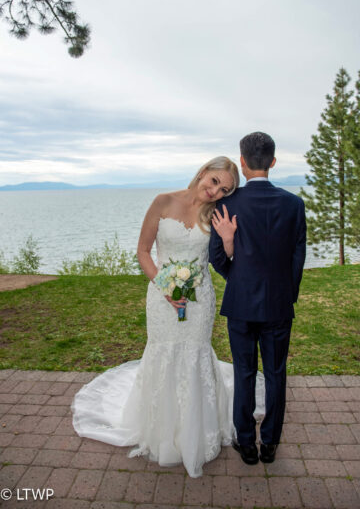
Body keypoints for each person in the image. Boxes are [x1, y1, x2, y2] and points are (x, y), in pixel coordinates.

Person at [71, 156, 265, 478]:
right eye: (214, 181)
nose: (215, 191)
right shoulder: (162, 201)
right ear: (203, 172)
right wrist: (166, 288)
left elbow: (225, 260)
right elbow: (143, 251)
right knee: (163, 352)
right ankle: (162, 431)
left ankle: (197, 431)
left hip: (200, 300)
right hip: (161, 298)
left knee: (195, 354)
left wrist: (229, 241)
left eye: (224, 189)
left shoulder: (218, 214)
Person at [209, 132, 306, 465]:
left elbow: (217, 258)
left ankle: (247, 443)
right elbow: (297, 256)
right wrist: (286, 294)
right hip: (279, 305)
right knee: (276, 372)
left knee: (244, 372)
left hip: (240, 304)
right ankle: (272, 444)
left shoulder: (226, 204)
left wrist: (237, 281)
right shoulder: (294, 204)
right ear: (274, 162)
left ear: (242, 162)